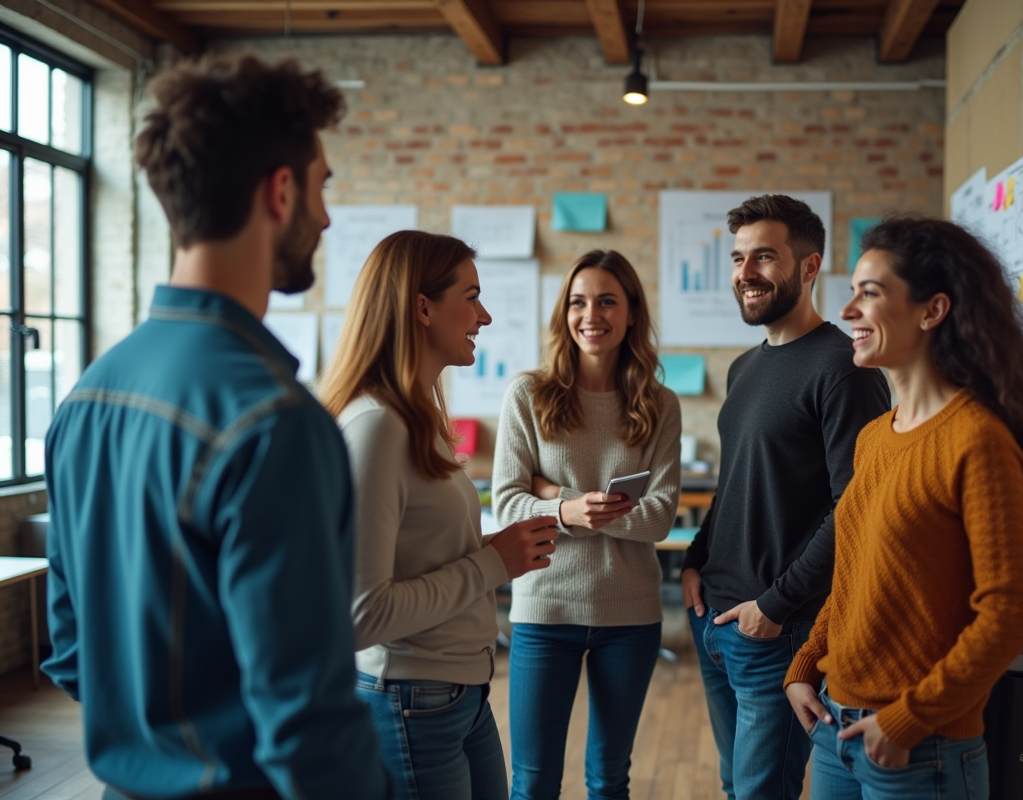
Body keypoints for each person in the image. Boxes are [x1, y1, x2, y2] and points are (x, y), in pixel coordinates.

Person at [42, 56, 393, 800]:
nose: (327, 217)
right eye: (323, 185)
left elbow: (73, 651)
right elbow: (308, 722)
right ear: (282, 189)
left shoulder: (86, 397)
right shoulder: (276, 422)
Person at [784, 217, 1023, 799]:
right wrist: (807, 663)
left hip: (920, 748)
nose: (847, 310)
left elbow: (1008, 615)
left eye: (870, 293)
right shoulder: (873, 438)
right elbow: (854, 578)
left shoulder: (977, 441)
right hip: (836, 727)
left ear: (932, 311)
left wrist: (907, 719)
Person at [319, 229, 559, 800]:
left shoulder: (416, 413)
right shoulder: (376, 427)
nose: (486, 316)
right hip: (411, 698)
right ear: (423, 307)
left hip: (457, 694)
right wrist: (492, 565)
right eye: (471, 296)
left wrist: (494, 549)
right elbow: (361, 613)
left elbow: (418, 546)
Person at [681, 195, 892, 800]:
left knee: (759, 792)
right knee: (735, 784)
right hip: (715, 620)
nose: (745, 273)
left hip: (777, 630)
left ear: (808, 267)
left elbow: (854, 506)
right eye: (739, 258)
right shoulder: (745, 367)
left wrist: (776, 605)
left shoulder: (844, 367)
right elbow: (737, 483)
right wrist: (695, 558)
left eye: (764, 257)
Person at [492, 250, 682, 800]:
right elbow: (506, 503)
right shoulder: (528, 395)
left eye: (606, 301)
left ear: (630, 313)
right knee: (531, 782)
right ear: (564, 313)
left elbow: (658, 516)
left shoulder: (658, 405)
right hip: (545, 608)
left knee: (609, 779)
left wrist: (555, 495)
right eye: (578, 302)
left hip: (632, 616)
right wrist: (565, 509)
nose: (590, 315)